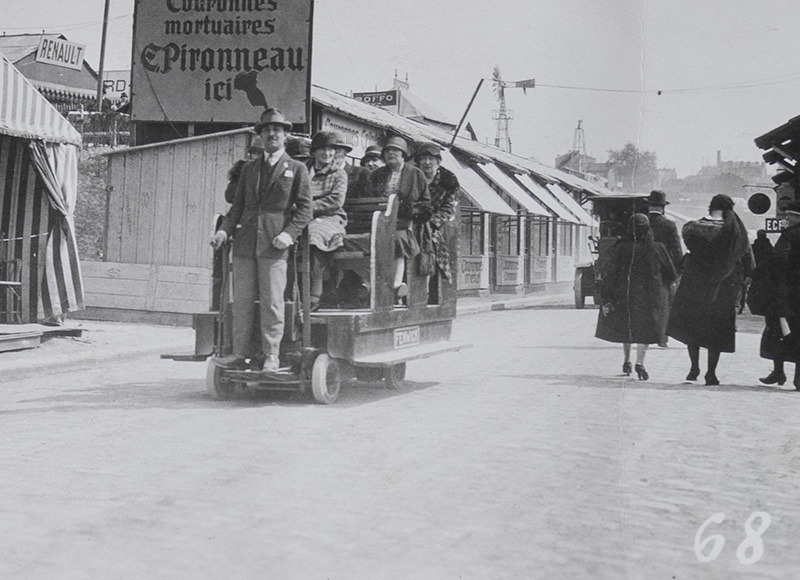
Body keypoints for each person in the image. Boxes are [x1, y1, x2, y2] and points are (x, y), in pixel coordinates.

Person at [210, 108, 312, 371]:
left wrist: (289, 234)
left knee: (272, 302)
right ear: (261, 137)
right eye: (267, 130)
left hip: (274, 244)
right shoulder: (249, 169)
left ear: (286, 135)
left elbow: (305, 210)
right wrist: (224, 231)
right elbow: (238, 207)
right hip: (245, 243)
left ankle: (272, 355)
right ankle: (239, 352)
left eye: (277, 130)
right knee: (241, 301)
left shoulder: (297, 169)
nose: (272, 134)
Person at [667, 194, 753, 385]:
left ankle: (693, 368)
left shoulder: (691, 228)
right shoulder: (735, 233)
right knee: (716, 328)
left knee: (692, 326)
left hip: (694, 284)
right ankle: (711, 373)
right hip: (722, 286)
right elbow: (748, 259)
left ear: (710, 207)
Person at [595, 213, 677, 380]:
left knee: (628, 327)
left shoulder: (619, 247)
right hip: (649, 297)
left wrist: (607, 298)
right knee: (644, 329)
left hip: (624, 295)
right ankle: (640, 363)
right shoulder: (657, 247)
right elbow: (671, 273)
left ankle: (627, 361)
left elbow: (610, 273)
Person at [365, 135, 432, 301]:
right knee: (367, 239)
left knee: (397, 238)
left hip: (406, 223)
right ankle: (368, 283)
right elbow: (368, 197)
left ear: (403, 155)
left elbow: (425, 205)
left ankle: (396, 286)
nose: (390, 154)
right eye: (387, 151)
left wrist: (409, 211)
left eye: (395, 151)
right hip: (379, 220)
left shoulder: (416, 174)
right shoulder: (377, 175)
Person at [758, 202, 800, 389]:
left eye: (790, 216)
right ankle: (798, 378)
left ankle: (778, 371)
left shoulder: (789, 235)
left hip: (787, 291)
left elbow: (778, 259)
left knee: (776, 329)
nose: (787, 219)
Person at [306, 131, 348, 310]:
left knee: (314, 233)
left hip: (331, 218)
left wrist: (306, 208)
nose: (327, 153)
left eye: (331, 149)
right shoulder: (302, 170)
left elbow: (335, 201)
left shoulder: (339, 174)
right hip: (302, 216)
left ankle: (315, 294)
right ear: (314, 152)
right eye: (322, 149)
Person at [413, 141, 458, 302]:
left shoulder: (448, 182)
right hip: (412, 223)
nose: (427, 163)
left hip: (434, 227)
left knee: (432, 253)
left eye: (431, 159)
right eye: (423, 159)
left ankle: (430, 296)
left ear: (438, 162)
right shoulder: (412, 178)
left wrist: (432, 222)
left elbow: (448, 208)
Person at [645, 189, 683, 273]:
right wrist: (679, 269)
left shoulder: (642, 222)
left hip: (642, 266)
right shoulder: (670, 225)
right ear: (663, 208)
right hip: (663, 267)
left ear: (648, 206)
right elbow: (676, 250)